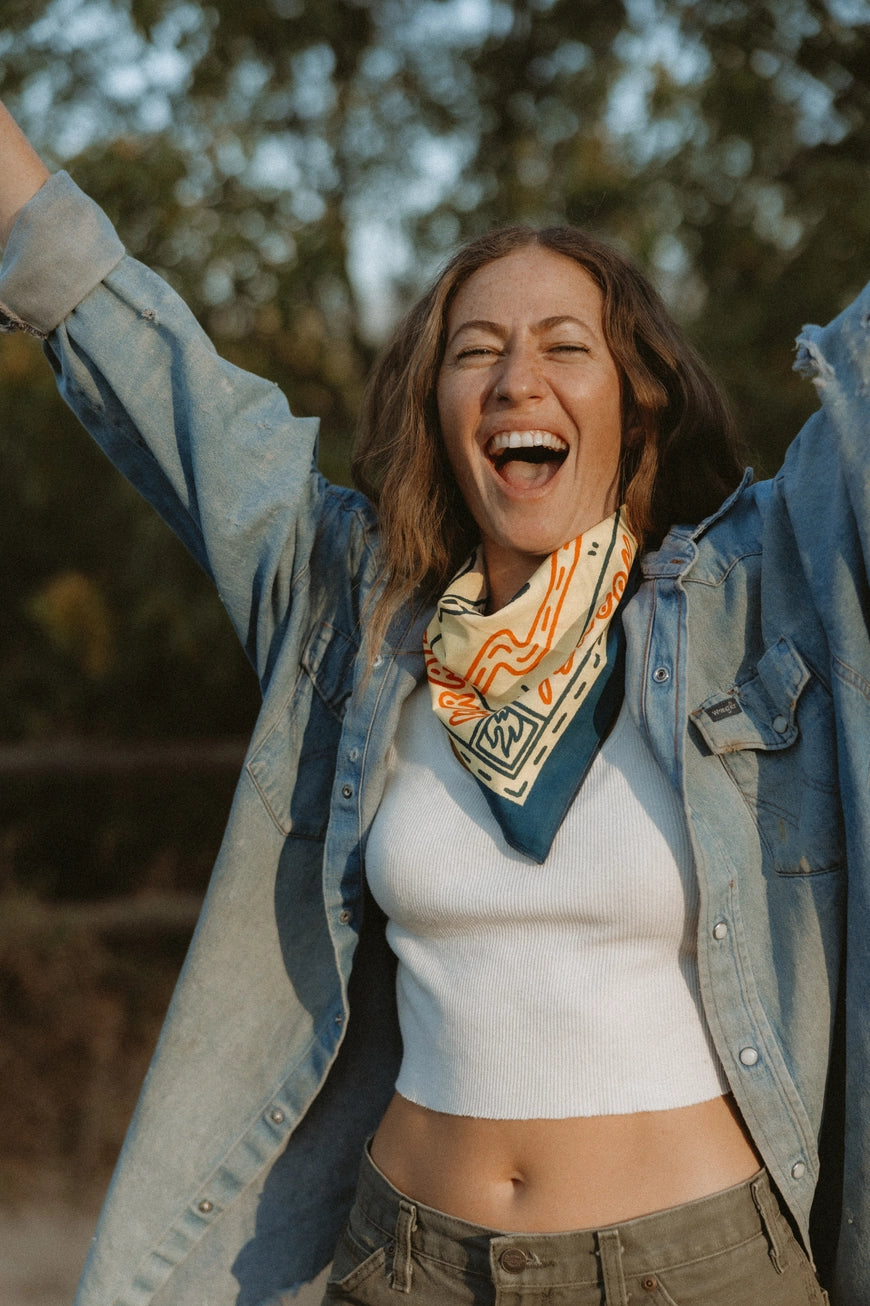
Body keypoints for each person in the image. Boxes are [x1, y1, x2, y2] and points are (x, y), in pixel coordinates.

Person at [0, 101, 867, 1306]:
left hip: (698, 1274)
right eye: (475, 351)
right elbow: (151, 369)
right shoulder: (353, 612)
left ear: (641, 400)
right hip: (406, 1263)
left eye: (566, 346)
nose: (517, 379)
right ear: (436, 408)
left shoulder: (760, 599)